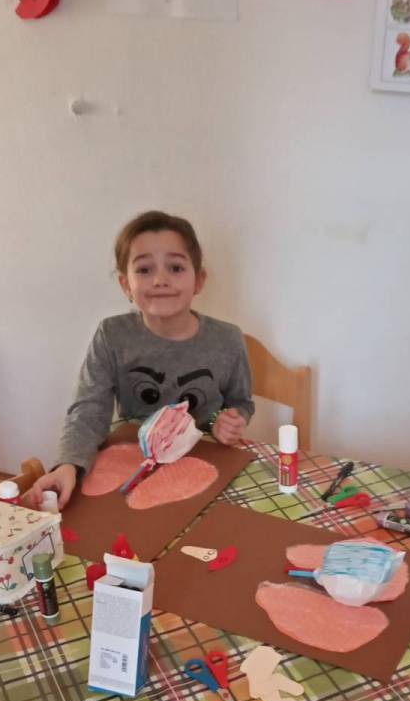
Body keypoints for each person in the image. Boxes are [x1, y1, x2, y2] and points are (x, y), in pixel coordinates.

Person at [28, 211, 254, 510]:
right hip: (131, 466)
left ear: (198, 280)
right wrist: (68, 464)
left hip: (205, 464)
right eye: (145, 270)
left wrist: (225, 422)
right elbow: (89, 409)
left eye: (175, 268)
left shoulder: (227, 339)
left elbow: (240, 403)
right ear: (126, 284)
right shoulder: (112, 335)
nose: (160, 280)